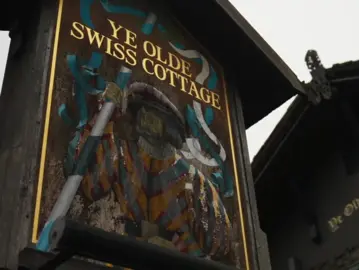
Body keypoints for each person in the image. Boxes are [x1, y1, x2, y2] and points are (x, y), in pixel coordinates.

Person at [64, 81, 233, 259]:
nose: (145, 119)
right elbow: (89, 185)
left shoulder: (194, 180)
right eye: (141, 111)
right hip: (126, 256)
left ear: (171, 126)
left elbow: (219, 242)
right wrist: (102, 118)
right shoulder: (122, 156)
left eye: (154, 114)